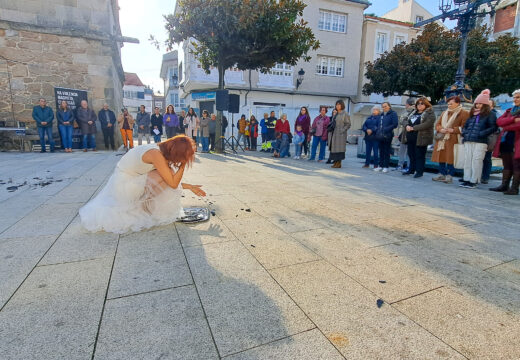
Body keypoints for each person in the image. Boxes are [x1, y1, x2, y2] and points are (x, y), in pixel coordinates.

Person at [79, 135, 206, 234]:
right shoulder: (155, 154)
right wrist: (183, 165)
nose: (183, 160)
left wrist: (190, 187)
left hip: (130, 180)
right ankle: (143, 204)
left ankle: (145, 202)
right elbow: (172, 183)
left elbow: (169, 180)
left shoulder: (160, 150)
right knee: (169, 173)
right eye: (183, 157)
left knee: (167, 173)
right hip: (125, 184)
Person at [460, 89, 497, 189]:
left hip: (481, 141)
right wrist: (465, 133)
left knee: (477, 160)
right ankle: (467, 179)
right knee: (468, 160)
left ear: (485, 104)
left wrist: (481, 133)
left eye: (481, 103)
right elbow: (466, 126)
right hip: (469, 140)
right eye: (477, 103)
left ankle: (474, 180)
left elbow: (493, 127)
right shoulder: (472, 113)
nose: (478, 106)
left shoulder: (490, 114)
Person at [431, 96, 469, 184]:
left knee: (451, 157)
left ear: (458, 103)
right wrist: (440, 129)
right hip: (442, 138)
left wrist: (454, 130)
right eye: (448, 104)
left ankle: (450, 175)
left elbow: (465, 126)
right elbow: (438, 124)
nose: (449, 105)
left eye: (451, 103)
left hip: (453, 139)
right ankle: (441, 174)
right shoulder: (445, 112)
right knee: (441, 156)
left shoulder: (464, 113)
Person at [491, 89, 520, 195]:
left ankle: (514, 188)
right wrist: (512, 120)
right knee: (506, 164)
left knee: (516, 165)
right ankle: (504, 185)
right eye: (515, 97)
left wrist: (507, 125)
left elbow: (518, 126)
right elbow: (499, 122)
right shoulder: (510, 110)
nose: (515, 99)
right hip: (505, 140)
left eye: (518, 97)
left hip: (517, 142)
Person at [403, 97, 436, 178]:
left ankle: (419, 171)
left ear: (426, 104)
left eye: (422, 104)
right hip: (410, 136)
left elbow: (427, 124)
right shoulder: (413, 112)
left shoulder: (430, 113)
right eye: (418, 103)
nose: (419, 105)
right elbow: (404, 120)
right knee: (411, 154)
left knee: (419, 155)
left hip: (421, 137)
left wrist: (413, 128)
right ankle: (411, 169)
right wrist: (406, 125)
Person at [375, 102, 398, 173]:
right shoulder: (381, 114)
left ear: (389, 106)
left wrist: (386, 129)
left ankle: (386, 166)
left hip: (388, 135)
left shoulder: (393, 113)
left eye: (385, 106)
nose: (384, 108)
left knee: (386, 151)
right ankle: (380, 165)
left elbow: (395, 124)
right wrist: (378, 130)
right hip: (380, 135)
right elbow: (377, 123)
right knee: (381, 150)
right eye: (383, 107)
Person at [481, 99, 499, 184]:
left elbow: (495, 127)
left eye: (489, 103)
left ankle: (485, 177)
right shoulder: (482, 113)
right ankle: (481, 175)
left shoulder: (494, 113)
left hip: (489, 138)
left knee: (487, 158)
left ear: (492, 105)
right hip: (482, 137)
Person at [328, 100, 351, 168]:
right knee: (334, 149)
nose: (337, 106)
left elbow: (348, 124)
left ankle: (339, 163)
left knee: (339, 149)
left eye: (339, 104)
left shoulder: (345, 114)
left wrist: (342, 130)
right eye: (336, 105)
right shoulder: (336, 113)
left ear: (342, 105)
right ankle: (335, 162)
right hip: (334, 134)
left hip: (341, 135)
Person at [397, 98, 415, 171]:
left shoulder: (414, 112)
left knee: (407, 151)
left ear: (407, 104)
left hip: (410, 134)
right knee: (405, 151)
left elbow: (402, 121)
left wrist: (405, 122)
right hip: (404, 134)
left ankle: (403, 165)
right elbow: (401, 121)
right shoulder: (405, 112)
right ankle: (404, 165)